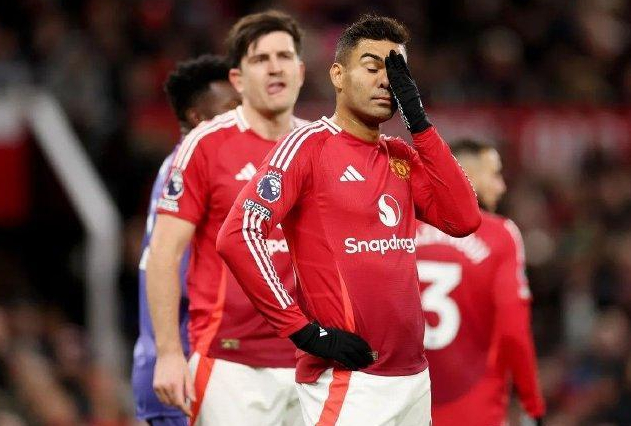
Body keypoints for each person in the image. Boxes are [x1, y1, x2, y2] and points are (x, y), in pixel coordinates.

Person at [217, 14, 481, 426]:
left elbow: (464, 219)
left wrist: (419, 122)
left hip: (414, 376)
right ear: (338, 75)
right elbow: (239, 234)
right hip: (349, 380)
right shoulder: (308, 147)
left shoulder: (400, 155)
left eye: (396, 72)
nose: (386, 81)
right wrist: (302, 331)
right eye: (373, 68)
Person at [147, 10, 308, 426]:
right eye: (260, 59)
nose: (275, 67)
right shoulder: (205, 144)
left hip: (315, 360)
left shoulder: (322, 145)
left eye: (284, 56)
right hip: (230, 364)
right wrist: (168, 353)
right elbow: (163, 254)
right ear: (238, 78)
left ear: (301, 71)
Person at [132, 54, 240, 426]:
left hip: (191, 366)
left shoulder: (184, 168)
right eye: (230, 109)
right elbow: (176, 274)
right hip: (184, 369)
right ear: (198, 118)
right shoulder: (186, 174)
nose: (241, 118)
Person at [414, 139, 546, 426]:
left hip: (404, 406)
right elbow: (514, 332)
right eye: (494, 174)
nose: (502, 186)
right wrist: (532, 405)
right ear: (466, 175)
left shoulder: (397, 230)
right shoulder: (500, 235)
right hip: (476, 408)